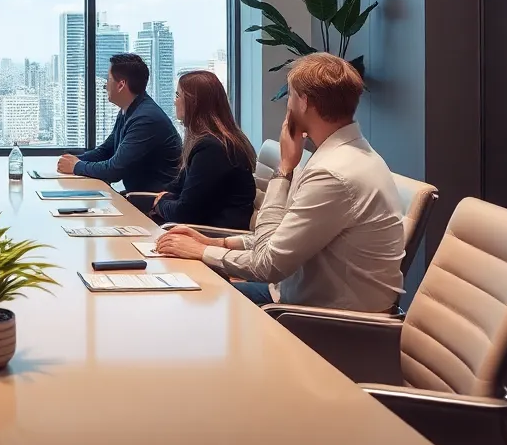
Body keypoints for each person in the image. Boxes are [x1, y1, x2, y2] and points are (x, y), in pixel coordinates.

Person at [156, 53, 404, 312]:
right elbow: (287, 237)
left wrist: (284, 170)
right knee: (195, 289)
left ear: (304, 102)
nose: (287, 104)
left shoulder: (333, 173)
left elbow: (267, 265)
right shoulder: (345, 155)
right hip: (294, 294)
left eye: (290, 96)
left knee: (193, 298)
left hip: (319, 317)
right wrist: (217, 243)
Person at [145, 70, 256, 229]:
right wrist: (166, 198)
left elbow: (185, 213)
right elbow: (179, 189)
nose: (174, 102)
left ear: (194, 102)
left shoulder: (213, 149)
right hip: (202, 230)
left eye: (178, 96)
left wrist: (160, 204)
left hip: (214, 236)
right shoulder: (206, 141)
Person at [56, 53, 181, 192]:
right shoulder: (129, 110)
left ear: (121, 85)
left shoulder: (146, 119)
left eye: (108, 80)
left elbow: (114, 170)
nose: (105, 85)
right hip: (139, 196)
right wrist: (72, 160)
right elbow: (106, 151)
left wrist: (76, 166)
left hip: (154, 203)